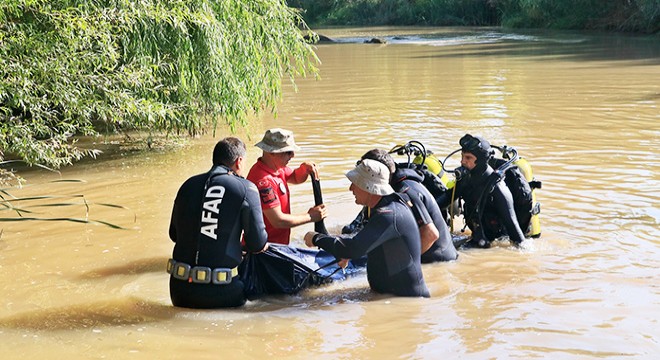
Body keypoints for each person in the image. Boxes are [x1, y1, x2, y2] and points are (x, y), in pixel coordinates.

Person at [304, 159, 430, 298]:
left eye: (355, 183)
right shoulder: (385, 207)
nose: (350, 188)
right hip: (389, 299)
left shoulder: (388, 215)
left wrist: (315, 238)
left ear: (368, 187)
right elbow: (364, 243)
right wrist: (347, 254)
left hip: (404, 302)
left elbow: (353, 248)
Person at [167, 137, 268, 308]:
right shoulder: (246, 188)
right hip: (224, 292)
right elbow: (257, 243)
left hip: (179, 291)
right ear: (239, 161)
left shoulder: (188, 185)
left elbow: (174, 235)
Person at [360, 149, 459, 262]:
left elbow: (431, 234)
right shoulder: (390, 187)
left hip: (437, 260)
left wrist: (401, 263)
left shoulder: (405, 190)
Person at [436, 134, 526, 248]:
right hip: (477, 237)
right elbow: (445, 200)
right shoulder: (465, 179)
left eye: (468, 158)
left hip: (494, 243)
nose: (462, 161)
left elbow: (517, 236)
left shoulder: (498, 189)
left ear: (481, 160)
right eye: (462, 156)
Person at [247, 128, 327, 245]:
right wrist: (310, 216)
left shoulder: (277, 168)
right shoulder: (263, 181)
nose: (293, 155)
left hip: (278, 245)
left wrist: (304, 169)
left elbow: (294, 177)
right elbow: (278, 221)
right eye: (288, 152)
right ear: (272, 153)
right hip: (265, 248)